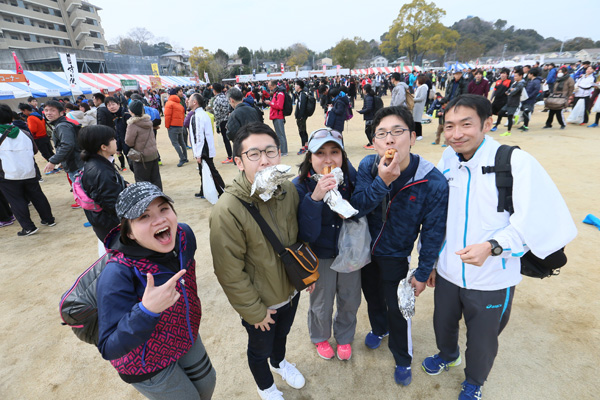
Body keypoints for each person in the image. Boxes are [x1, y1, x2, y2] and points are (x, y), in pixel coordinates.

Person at [424, 94, 577, 400]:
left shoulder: (514, 161)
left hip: (494, 276)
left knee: (483, 339)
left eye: (466, 124)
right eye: (449, 125)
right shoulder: (448, 159)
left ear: (487, 123)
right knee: (442, 322)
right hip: (449, 271)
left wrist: (493, 247)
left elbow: (537, 219)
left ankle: (474, 382)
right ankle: (447, 354)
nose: (456, 134)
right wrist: (430, 261)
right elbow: (437, 214)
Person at [350, 106, 448, 387]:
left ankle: (403, 358)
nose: (389, 140)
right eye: (381, 134)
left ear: (413, 137)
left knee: (398, 307)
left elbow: (433, 231)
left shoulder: (432, 180)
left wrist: (423, 269)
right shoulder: (369, 166)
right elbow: (356, 208)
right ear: (375, 142)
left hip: (396, 253)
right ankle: (379, 329)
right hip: (366, 250)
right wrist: (383, 181)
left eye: (397, 132)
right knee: (372, 296)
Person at [210, 122, 306, 400]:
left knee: (283, 335)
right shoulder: (227, 210)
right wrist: (254, 311)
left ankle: (280, 364)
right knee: (259, 348)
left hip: (290, 290)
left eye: (270, 151)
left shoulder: (288, 189)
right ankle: (266, 386)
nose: (264, 160)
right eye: (254, 154)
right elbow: (229, 272)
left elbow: (298, 237)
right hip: (261, 303)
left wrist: (304, 277)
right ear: (239, 162)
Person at [97, 182, 216, 399]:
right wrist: (146, 310)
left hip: (183, 332)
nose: (160, 220)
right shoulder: (117, 273)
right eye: (144, 216)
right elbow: (108, 346)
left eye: (164, 209)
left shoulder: (184, 236)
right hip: (145, 361)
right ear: (129, 233)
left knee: (207, 384)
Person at [292, 128, 360, 361]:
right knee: (321, 302)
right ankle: (320, 337)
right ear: (310, 157)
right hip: (319, 255)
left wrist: (348, 210)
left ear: (343, 155)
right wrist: (316, 198)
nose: (328, 159)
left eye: (334, 152)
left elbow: (365, 210)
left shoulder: (352, 179)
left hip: (349, 253)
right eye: (320, 153)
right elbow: (306, 234)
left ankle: (344, 337)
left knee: (350, 298)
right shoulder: (299, 186)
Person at [0, 104, 56, 236]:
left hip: (8, 174)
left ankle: (28, 227)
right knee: (37, 195)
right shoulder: (23, 132)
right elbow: (34, 150)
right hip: (29, 170)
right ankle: (49, 219)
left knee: (16, 200)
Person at [78, 124, 127, 243]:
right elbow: (112, 204)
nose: (116, 141)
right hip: (112, 226)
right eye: (113, 139)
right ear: (104, 147)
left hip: (103, 223)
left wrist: (125, 185)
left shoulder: (96, 162)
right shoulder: (101, 171)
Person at [188, 93, 225, 199]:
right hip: (204, 148)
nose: (188, 101)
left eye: (190, 99)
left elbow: (199, 136)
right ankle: (203, 190)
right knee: (203, 170)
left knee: (211, 171)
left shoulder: (198, 116)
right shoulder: (199, 114)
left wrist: (198, 154)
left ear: (195, 102)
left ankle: (222, 190)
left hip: (204, 149)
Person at [42, 100, 83, 183]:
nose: (48, 113)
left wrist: (53, 161)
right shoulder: (61, 124)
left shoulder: (62, 126)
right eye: (46, 110)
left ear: (61, 113)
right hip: (77, 162)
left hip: (76, 165)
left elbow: (67, 145)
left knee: (82, 192)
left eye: (53, 110)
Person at [125, 100, 162, 190]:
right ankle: (159, 197)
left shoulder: (133, 124)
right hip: (153, 154)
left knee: (142, 181)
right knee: (156, 178)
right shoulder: (148, 121)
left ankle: (147, 200)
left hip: (141, 157)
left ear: (131, 111)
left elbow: (129, 141)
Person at [490, 68, 525, 136]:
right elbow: (508, 91)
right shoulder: (498, 81)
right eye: (502, 73)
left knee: (508, 115)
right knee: (497, 113)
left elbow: (512, 92)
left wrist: (510, 92)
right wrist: (491, 98)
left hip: (506, 101)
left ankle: (507, 130)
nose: (503, 75)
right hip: (498, 100)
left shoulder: (512, 82)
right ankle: (512, 118)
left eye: (504, 73)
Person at [164, 88, 188, 167]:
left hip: (172, 126)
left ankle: (182, 158)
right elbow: (183, 116)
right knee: (182, 142)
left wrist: (167, 126)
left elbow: (167, 116)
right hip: (180, 125)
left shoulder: (169, 103)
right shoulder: (179, 104)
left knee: (175, 143)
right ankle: (185, 157)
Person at [212, 83, 234, 164]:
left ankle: (230, 156)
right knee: (233, 137)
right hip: (229, 119)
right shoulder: (225, 97)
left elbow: (217, 114)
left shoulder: (216, 100)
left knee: (226, 139)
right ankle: (235, 154)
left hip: (222, 121)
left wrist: (217, 125)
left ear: (214, 90)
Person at [265, 80, 288, 156]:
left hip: (278, 116)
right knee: (279, 134)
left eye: (270, 86)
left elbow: (279, 106)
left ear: (274, 86)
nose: (269, 88)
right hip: (276, 116)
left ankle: (284, 151)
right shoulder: (276, 93)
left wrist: (270, 103)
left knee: (281, 134)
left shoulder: (280, 94)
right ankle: (282, 150)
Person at [358, 84, 376, 150]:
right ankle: (372, 142)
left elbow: (369, 108)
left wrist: (361, 111)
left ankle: (373, 143)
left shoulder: (368, 97)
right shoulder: (369, 96)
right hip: (370, 116)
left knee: (368, 131)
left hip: (370, 117)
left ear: (365, 90)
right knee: (370, 130)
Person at [294, 80, 309, 155]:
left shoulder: (302, 95)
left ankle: (303, 147)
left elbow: (302, 106)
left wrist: (300, 116)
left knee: (302, 131)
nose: (294, 86)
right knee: (303, 131)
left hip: (301, 117)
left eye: (295, 85)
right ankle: (306, 145)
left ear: (299, 86)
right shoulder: (300, 94)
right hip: (302, 116)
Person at [413, 75, 429, 141]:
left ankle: (419, 134)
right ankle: (416, 134)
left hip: (419, 105)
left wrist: (413, 99)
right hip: (416, 105)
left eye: (417, 80)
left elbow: (422, 98)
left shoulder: (423, 87)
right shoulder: (419, 87)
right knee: (415, 120)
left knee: (418, 120)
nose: (416, 82)